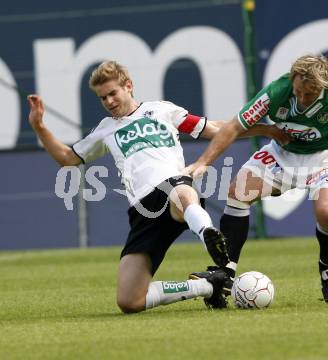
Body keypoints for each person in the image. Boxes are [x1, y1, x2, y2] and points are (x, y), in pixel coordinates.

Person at [27, 61, 287, 313]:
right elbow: (67, 159)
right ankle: (208, 285)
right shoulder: (105, 130)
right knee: (130, 301)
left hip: (176, 191)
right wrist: (39, 127)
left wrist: (265, 129)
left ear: (128, 86)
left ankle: (209, 234)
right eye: (102, 98)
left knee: (181, 190)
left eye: (112, 93)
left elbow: (217, 130)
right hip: (143, 211)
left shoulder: (163, 111)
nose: (109, 102)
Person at [186, 54, 328, 304]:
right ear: (293, 79)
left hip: (326, 158)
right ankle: (224, 273)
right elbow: (234, 127)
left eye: (309, 95)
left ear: (322, 87)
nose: (302, 98)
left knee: (326, 212)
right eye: (299, 91)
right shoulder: (277, 91)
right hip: (283, 154)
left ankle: (327, 267)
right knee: (239, 191)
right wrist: (203, 162)